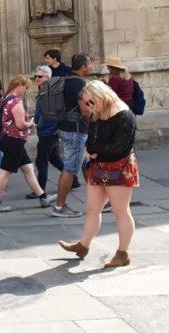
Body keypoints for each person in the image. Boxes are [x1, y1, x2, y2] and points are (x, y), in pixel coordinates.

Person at [60, 80, 139, 268]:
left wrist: (96, 152)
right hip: (99, 165)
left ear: (101, 95)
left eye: (91, 102)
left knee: (120, 211)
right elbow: (91, 139)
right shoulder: (97, 114)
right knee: (92, 209)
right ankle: (83, 245)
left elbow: (121, 147)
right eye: (88, 103)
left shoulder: (124, 114)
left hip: (119, 166)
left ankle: (123, 253)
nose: (90, 106)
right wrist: (93, 152)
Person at [0, 76, 56, 212]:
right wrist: (30, 124)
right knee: (5, 172)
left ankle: (43, 197)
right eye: (26, 87)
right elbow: (20, 125)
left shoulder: (5, 99)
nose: (26, 90)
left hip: (7, 139)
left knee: (28, 168)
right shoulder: (16, 102)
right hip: (14, 140)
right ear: (19, 85)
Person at [51, 53, 92, 218]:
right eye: (90, 64)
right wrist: (95, 120)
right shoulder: (80, 84)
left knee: (86, 163)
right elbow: (85, 110)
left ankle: (99, 202)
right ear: (84, 67)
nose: (91, 67)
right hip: (75, 130)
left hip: (65, 127)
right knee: (70, 169)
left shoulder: (66, 80)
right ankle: (59, 207)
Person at [31, 66, 64, 199]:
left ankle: (40, 189)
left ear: (48, 78)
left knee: (41, 161)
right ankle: (73, 180)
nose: (37, 79)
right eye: (36, 77)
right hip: (44, 129)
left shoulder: (51, 92)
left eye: (40, 77)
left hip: (49, 130)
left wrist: (49, 126)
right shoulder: (44, 91)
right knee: (53, 158)